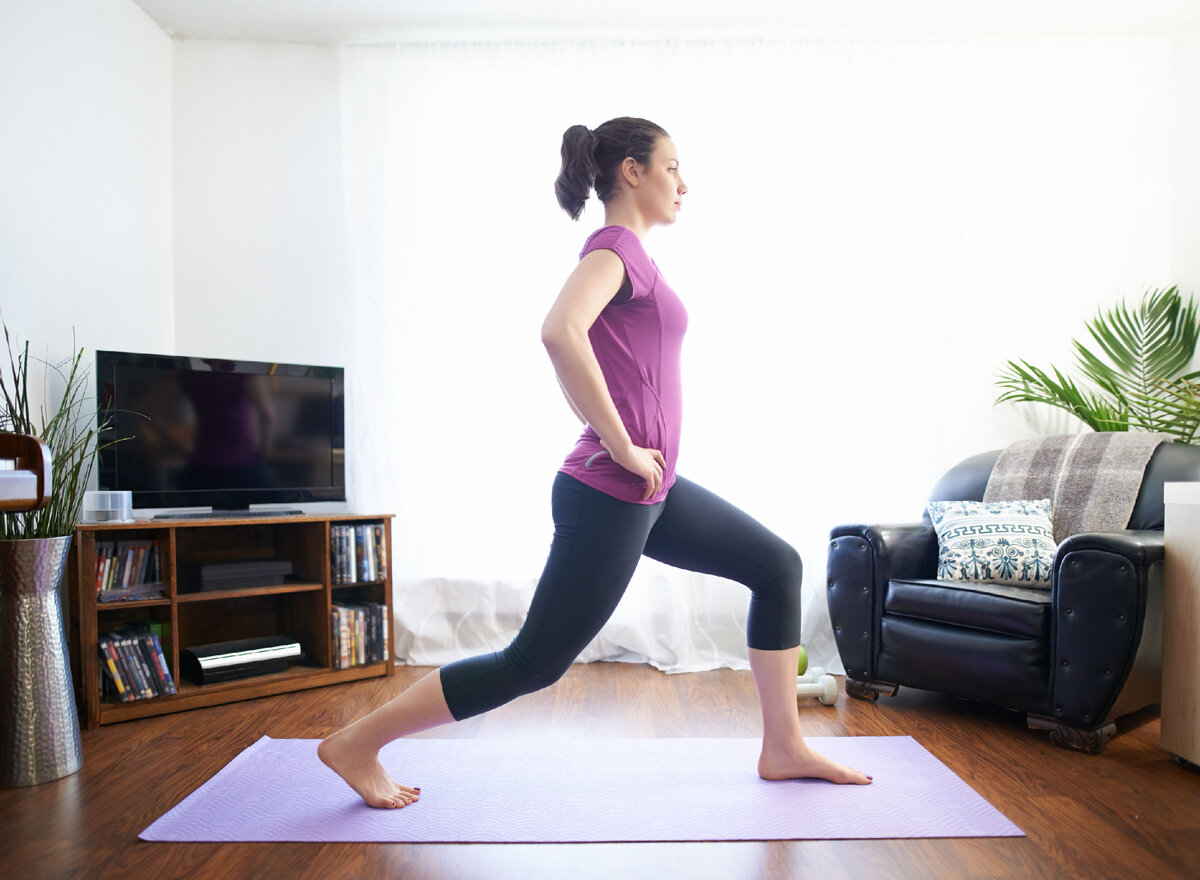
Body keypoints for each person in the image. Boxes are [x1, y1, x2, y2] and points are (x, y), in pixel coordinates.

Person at [318, 117, 872, 808]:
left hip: (649, 488)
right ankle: (357, 743)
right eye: (672, 167)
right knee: (534, 662)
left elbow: (584, 352)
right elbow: (558, 331)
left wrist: (616, 435)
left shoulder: (632, 255)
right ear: (632, 172)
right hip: (610, 490)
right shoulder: (615, 248)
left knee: (776, 566)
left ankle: (784, 747)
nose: (683, 183)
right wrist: (616, 441)